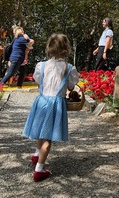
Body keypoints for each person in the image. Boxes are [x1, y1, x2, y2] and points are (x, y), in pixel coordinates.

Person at [23, 33, 79, 182]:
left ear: (49, 47)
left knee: (41, 132)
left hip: (41, 101)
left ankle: (36, 155)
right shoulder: (69, 68)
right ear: (67, 49)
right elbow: (71, 86)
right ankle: (39, 170)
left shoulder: (41, 65)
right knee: (47, 138)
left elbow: (38, 80)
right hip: (56, 105)